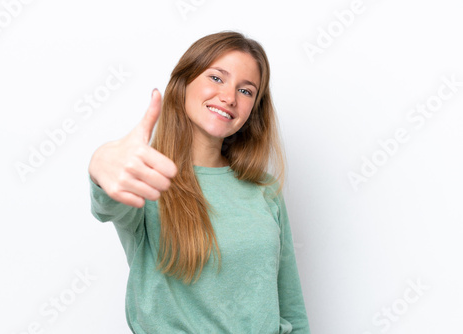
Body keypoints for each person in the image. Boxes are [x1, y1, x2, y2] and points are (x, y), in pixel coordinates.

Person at [88, 31, 310, 333]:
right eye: (217, 78)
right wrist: (100, 162)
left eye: (246, 91)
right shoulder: (148, 179)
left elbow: (291, 308)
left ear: (254, 109)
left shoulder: (265, 189)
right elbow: (108, 201)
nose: (229, 97)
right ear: (183, 83)